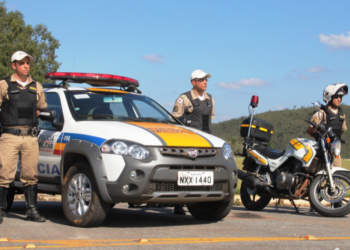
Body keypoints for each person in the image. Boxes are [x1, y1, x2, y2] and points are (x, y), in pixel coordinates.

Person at [0, 51, 47, 224]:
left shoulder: (37, 86)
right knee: (5, 173)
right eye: (21, 63)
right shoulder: (4, 85)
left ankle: (32, 211)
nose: (26, 66)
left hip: (29, 137)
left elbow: (39, 109)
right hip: (9, 136)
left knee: (31, 174)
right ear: (14, 65)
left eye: (27, 63)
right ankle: (0, 210)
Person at [171, 69, 215, 215]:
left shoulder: (210, 99)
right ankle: (178, 204)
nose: (205, 82)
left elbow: (211, 119)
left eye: (206, 79)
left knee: (206, 174)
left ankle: (202, 203)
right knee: (185, 173)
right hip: (188, 143)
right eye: (202, 79)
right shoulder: (183, 98)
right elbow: (175, 121)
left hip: (206, 142)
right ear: (193, 82)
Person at [306, 83, 347, 211]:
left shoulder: (341, 114)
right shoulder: (322, 113)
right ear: (330, 97)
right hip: (322, 149)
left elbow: (342, 130)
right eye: (337, 96)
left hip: (334, 151)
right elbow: (310, 129)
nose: (339, 99)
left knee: (336, 176)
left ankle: (337, 200)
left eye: (341, 97)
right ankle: (315, 200)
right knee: (317, 175)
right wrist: (321, 138)